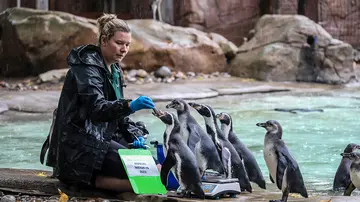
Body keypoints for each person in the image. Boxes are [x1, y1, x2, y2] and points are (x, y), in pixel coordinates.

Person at [44, 13, 159, 193]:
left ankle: (131, 182)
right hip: (79, 142)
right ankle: (85, 182)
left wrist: (134, 136)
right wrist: (129, 105)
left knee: (151, 163)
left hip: (102, 136)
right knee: (147, 172)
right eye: (119, 43)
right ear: (104, 41)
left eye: (127, 44)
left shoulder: (114, 69)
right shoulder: (87, 66)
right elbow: (96, 110)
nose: (124, 49)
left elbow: (117, 117)